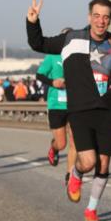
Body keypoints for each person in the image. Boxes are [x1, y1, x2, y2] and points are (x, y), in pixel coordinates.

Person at [27, 0, 111, 221]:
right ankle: (76, 174)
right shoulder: (72, 39)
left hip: (107, 111)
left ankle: (91, 210)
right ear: (89, 17)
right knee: (88, 162)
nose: (101, 21)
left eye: (106, 17)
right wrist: (32, 22)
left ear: (110, 20)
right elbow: (39, 43)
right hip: (80, 110)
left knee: (104, 164)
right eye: (97, 16)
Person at [35, 49, 77, 187]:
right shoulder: (52, 57)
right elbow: (39, 75)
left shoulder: (79, 57)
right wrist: (52, 82)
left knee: (75, 142)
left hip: (75, 105)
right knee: (62, 144)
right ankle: (54, 148)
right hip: (56, 105)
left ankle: (70, 175)